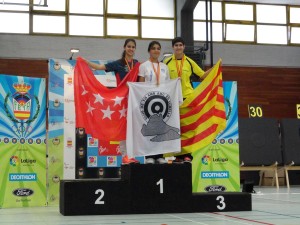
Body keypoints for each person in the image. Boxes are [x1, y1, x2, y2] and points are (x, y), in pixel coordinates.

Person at [83, 39, 140, 165]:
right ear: (124, 47)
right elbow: (99, 67)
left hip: (134, 99)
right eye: (129, 46)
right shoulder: (118, 63)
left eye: (133, 47)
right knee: (122, 128)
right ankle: (125, 156)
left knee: (132, 129)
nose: (131, 49)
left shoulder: (137, 64)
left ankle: (131, 155)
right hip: (121, 100)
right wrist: (86, 62)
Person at [163, 37, 212, 163]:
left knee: (188, 128)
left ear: (183, 47)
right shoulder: (166, 62)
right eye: (176, 45)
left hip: (187, 98)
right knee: (174, 127)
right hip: (172, 98)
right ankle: (173, 154)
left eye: (180, 45)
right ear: (173, 47)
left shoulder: (189, 62)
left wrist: (215, 68)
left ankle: (187, 155)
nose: (178, 47)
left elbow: (202, 75)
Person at [138, 41, 170, 164]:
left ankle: (159, 155)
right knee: (149, 128)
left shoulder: (164, 67)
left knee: (161, 128)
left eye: (158, 48)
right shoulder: (144, 66)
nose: (156, 51)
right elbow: (140, 84)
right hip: (148, 101)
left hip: (161, 101)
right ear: (149, 51)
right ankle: (148, 156)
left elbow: (167, 84)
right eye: (153, 48)